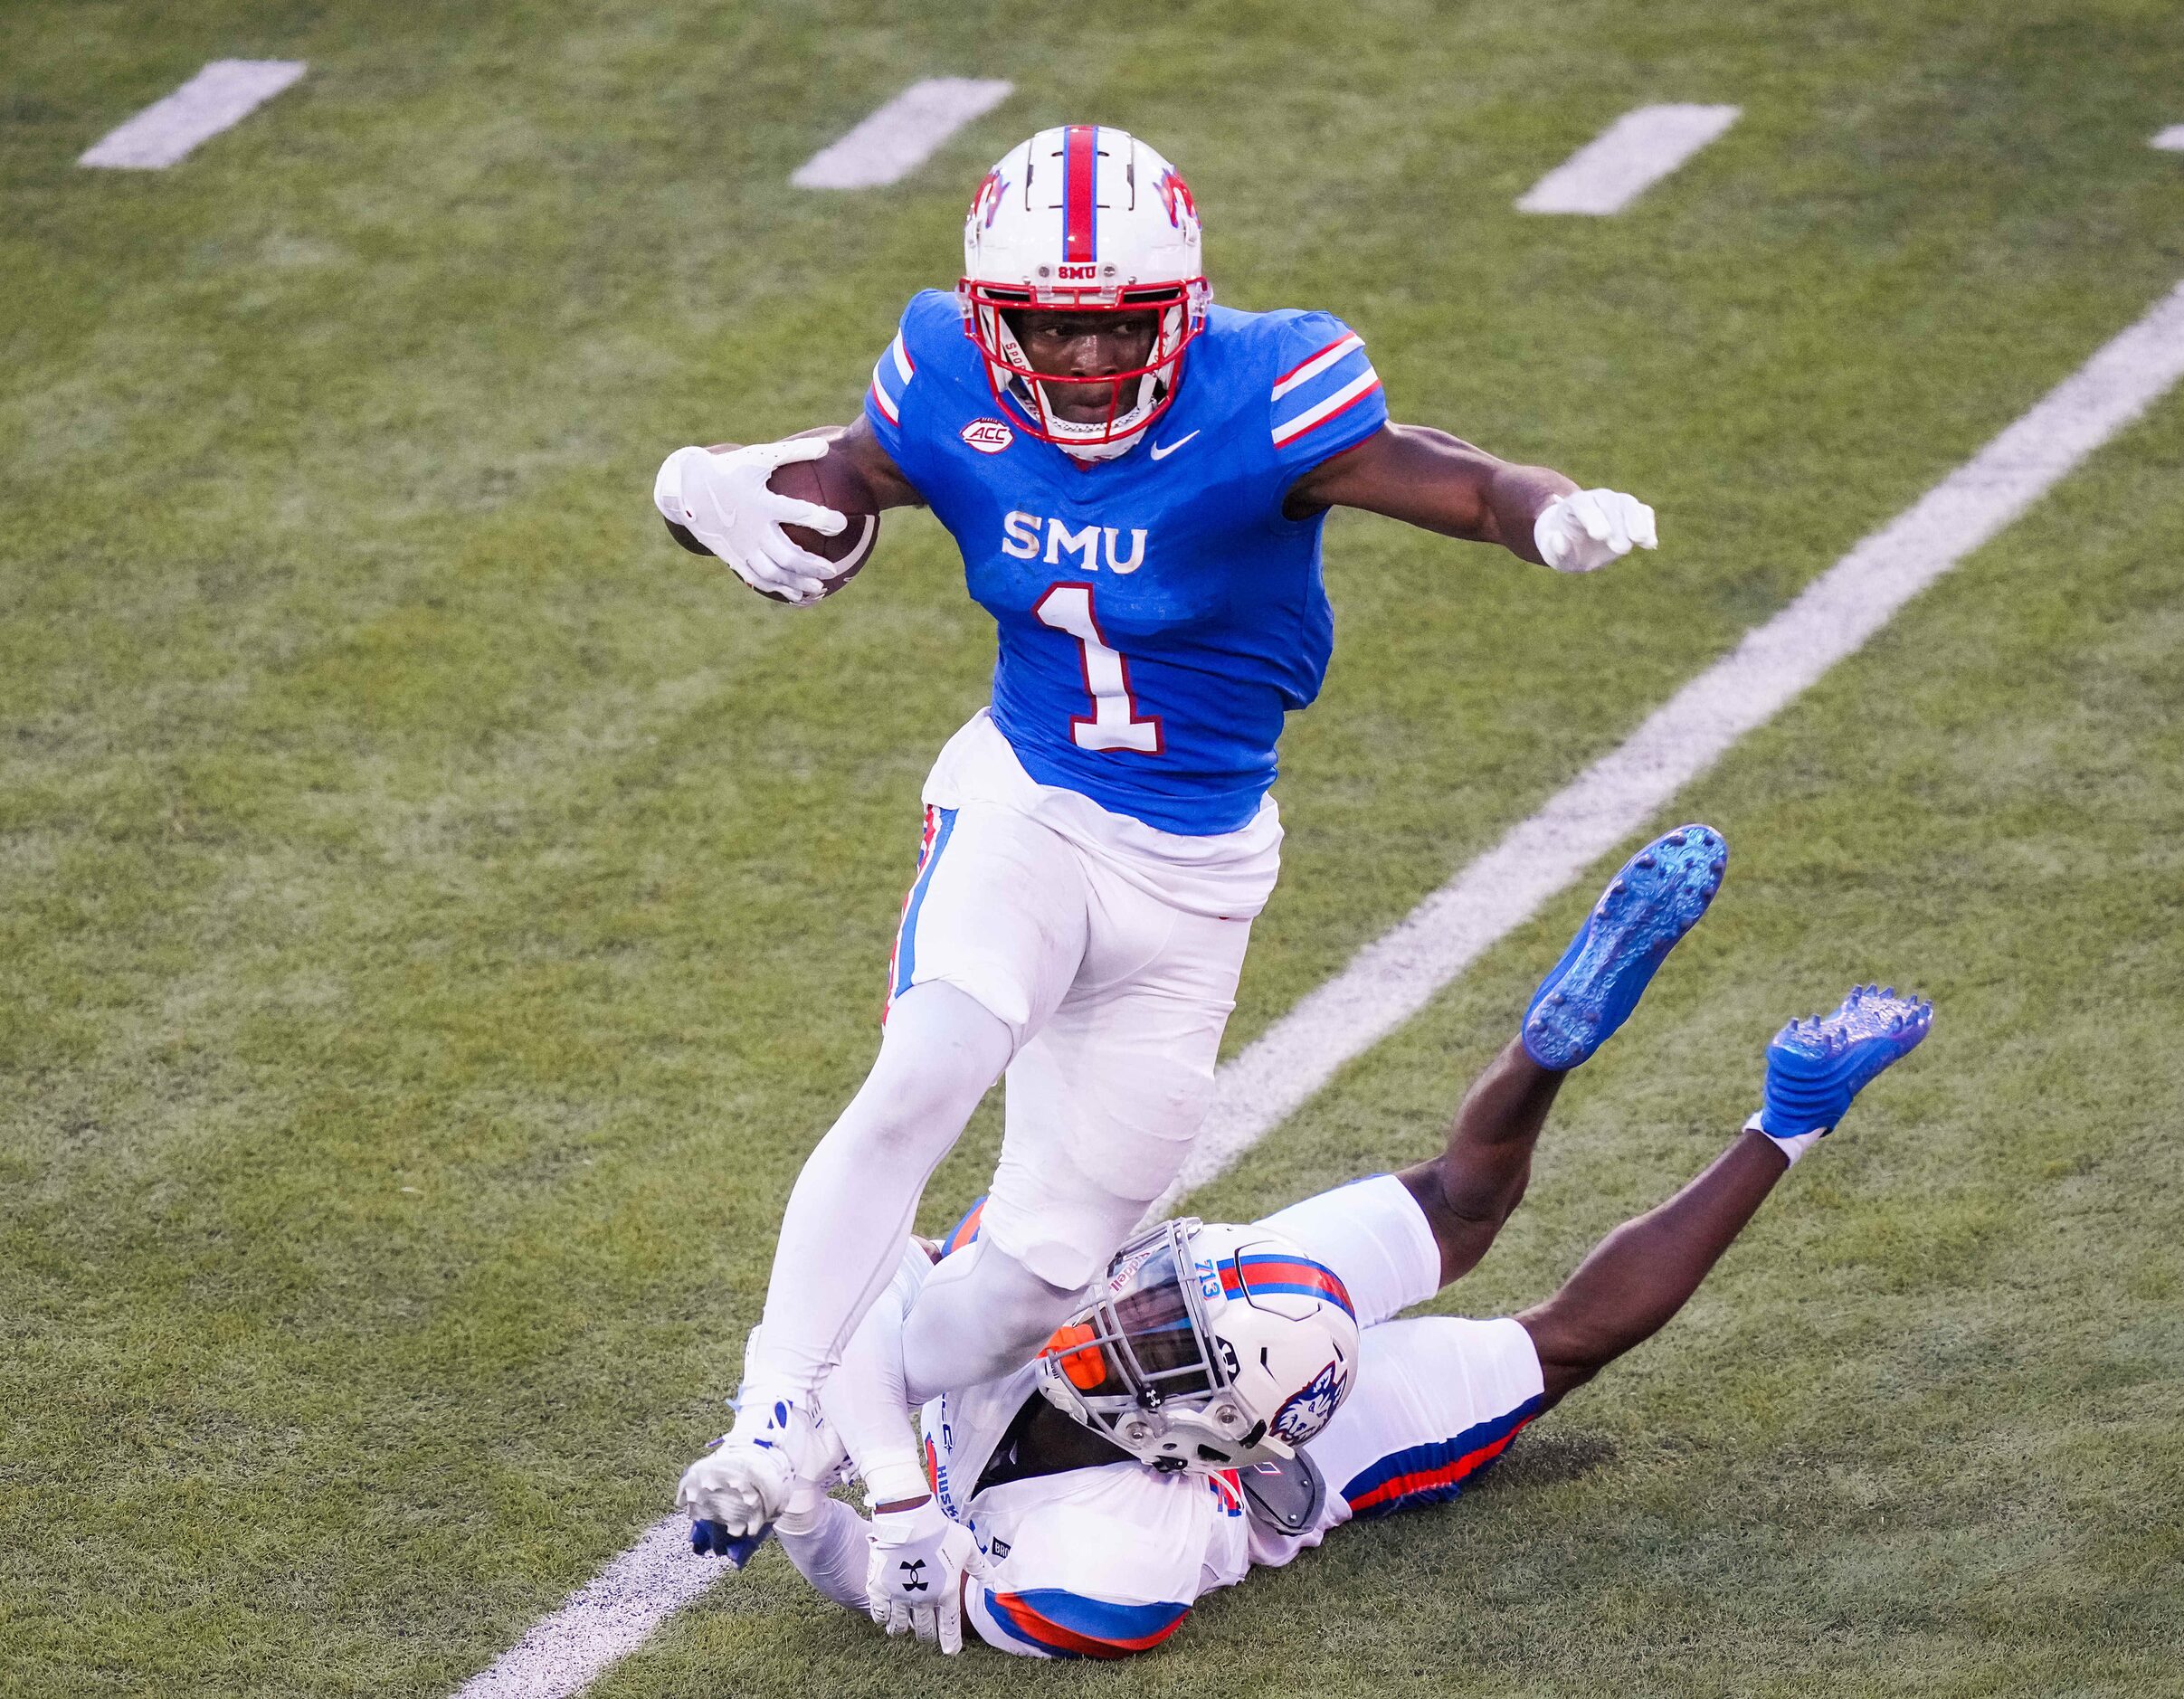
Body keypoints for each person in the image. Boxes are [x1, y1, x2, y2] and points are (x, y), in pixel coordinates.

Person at [658, 121, 1666, 1578]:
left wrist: (1541, 513)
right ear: (990, 317)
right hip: (1024, 800)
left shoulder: (1266, 389)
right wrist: (696, 491)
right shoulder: (943, 367)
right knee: (929, 1062)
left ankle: (857, 1407)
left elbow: (1437, 467)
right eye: (1044, 332)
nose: (1075, 364)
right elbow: (834, 476)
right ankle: (770, 1412)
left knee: (1032, 1284)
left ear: (1179, 314)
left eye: (1110, 330)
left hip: (1195, 876)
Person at [686, 825, 1935, 1659]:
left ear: (1173, 1430)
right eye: (1145, 1300)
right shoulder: (1132, 1327)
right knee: (1469, 1221)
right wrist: (839, 1473)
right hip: (1266, 1308)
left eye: (1147, 1339)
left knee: (1559, 1342)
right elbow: (866, 1288)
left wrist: (821, 1523)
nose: (1116, 1309)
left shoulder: (1110, 1565)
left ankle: (1786, 1116)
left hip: (1310, 1440)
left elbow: (897, 1580)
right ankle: (1572, 1055)